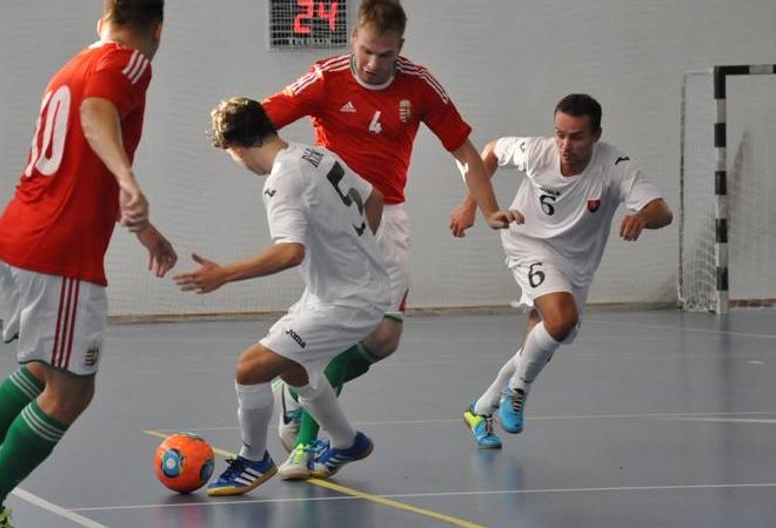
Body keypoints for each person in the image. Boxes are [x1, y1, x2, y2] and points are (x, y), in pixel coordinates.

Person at [0, 2, 175, 526]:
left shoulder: (73, 65)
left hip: (20, 236)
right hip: (60, 254)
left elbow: (79, 157)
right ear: (157, 27)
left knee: (40, 370)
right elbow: (95, 114)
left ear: (100, 17)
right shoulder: (129, 61)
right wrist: (129, 179)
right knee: (71, 392)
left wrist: (143, 229)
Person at [262, 0, 522, 478]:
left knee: (383, 337)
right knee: (335, 325)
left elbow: (463, 150)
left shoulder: (419, 85)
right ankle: (305, 447)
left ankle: (295, 386)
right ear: (353, 40)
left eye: (384, 55)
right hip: (336, 216)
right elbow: (263, 120)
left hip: (391, 216)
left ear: (400, 48)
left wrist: (487, 208)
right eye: (365, 51)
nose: (372, 63)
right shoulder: (326, 76)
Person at [173, 96, 392, 493]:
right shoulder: (316, 155)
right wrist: (355, 254)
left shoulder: (281, 181)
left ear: (237, 149)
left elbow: (291, 251)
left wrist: (224, 274)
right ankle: (347, 442)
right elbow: (374, 197)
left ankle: (254, 460)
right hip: (341, 290)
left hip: (349, 300)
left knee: (250, 368)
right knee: (296, 369)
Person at [460, 93, 673, 448]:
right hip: (527, 242)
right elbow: (491, 151)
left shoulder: (615, 167)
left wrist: (640, 217)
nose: (565, 144)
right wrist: (472, 206)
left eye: (576, 137)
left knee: (538, 342)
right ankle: (518, 391)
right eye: (560, 133)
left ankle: (480, 409)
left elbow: (662, 211)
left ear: (596, 135)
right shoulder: (538, 151)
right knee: (561, 320)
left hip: (575, 263)